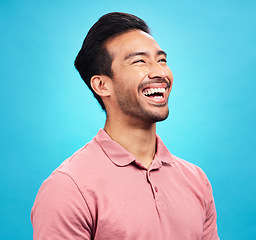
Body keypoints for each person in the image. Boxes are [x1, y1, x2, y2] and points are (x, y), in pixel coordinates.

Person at [31, 12, 220, 240]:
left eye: (161, 60)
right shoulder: (68, 187)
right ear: (102, 85)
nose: (159, 72)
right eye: (139, 61)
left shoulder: (196, 180)